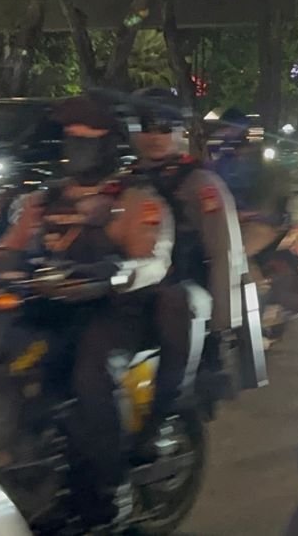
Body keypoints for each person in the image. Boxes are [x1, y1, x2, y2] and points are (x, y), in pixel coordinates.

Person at [0, 95, 174, 528]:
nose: (77, 146)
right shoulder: (44, 200)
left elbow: (153, 261)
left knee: (90, 377)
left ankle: (111, 489)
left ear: (110, 144)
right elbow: (7, 249)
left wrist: (113, 273)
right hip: (49, 309)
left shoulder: (135, 200)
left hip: (114, 313)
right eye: (71, 137)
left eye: (88, 138)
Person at [126, 87, 251, 458]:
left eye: (164, 126)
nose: (155, 136)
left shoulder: (200, 184)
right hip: (133, 296)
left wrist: (221, 330)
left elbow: (225, 255)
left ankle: (157, 426)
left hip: (184, 301)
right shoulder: (126, 182)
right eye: (146, 126)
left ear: (180, 131)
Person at [206, 106, 291, 258]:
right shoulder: (220, 161)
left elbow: (272, 199)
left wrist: (251, 215)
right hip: (229, 224)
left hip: (258, 224)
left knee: (237, 259)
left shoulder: (261, 166)